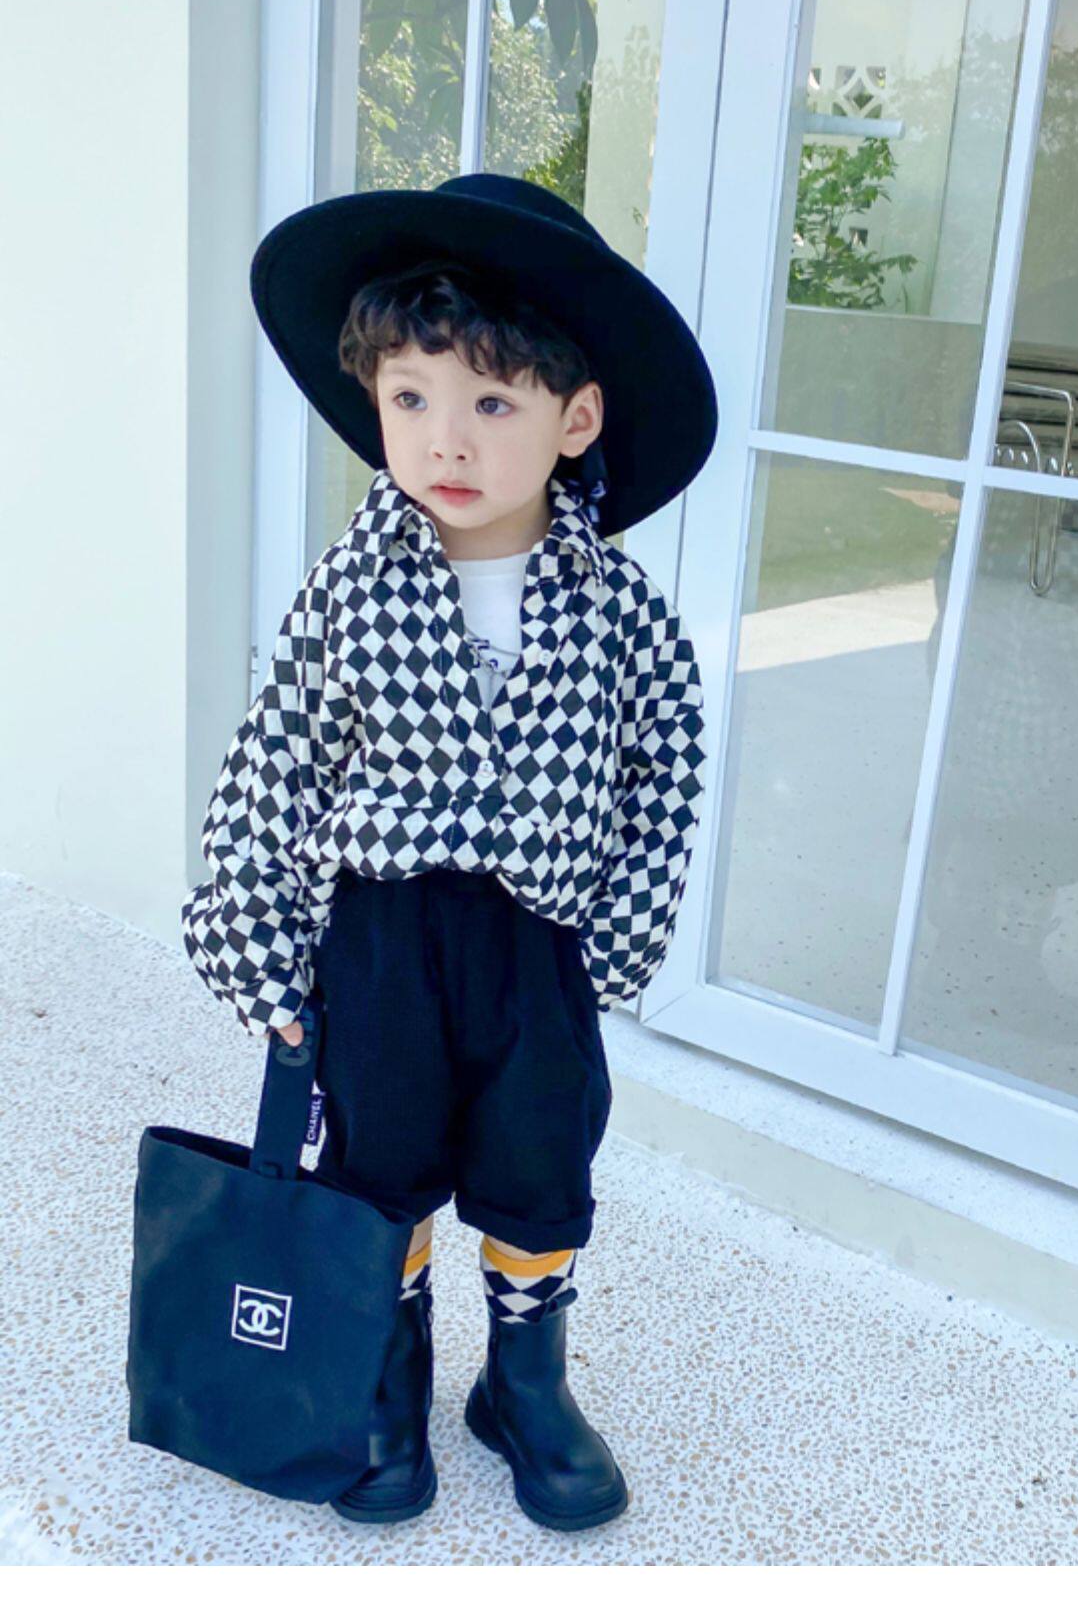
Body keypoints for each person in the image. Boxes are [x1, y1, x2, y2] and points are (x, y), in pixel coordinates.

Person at [180, 173, 716, 1531]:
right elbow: (281, 754)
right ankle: (388, 1373)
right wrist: (258, 940)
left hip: (537, 941)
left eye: (491, 403)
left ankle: (524, 1383)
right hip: (382, 932)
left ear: (573, 419)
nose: (445, 440)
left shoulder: (622, 614)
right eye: (411, 398)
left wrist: (617, 936)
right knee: (383, 1158)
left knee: (541, 1165)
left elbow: (665, 769)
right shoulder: (352, 590)